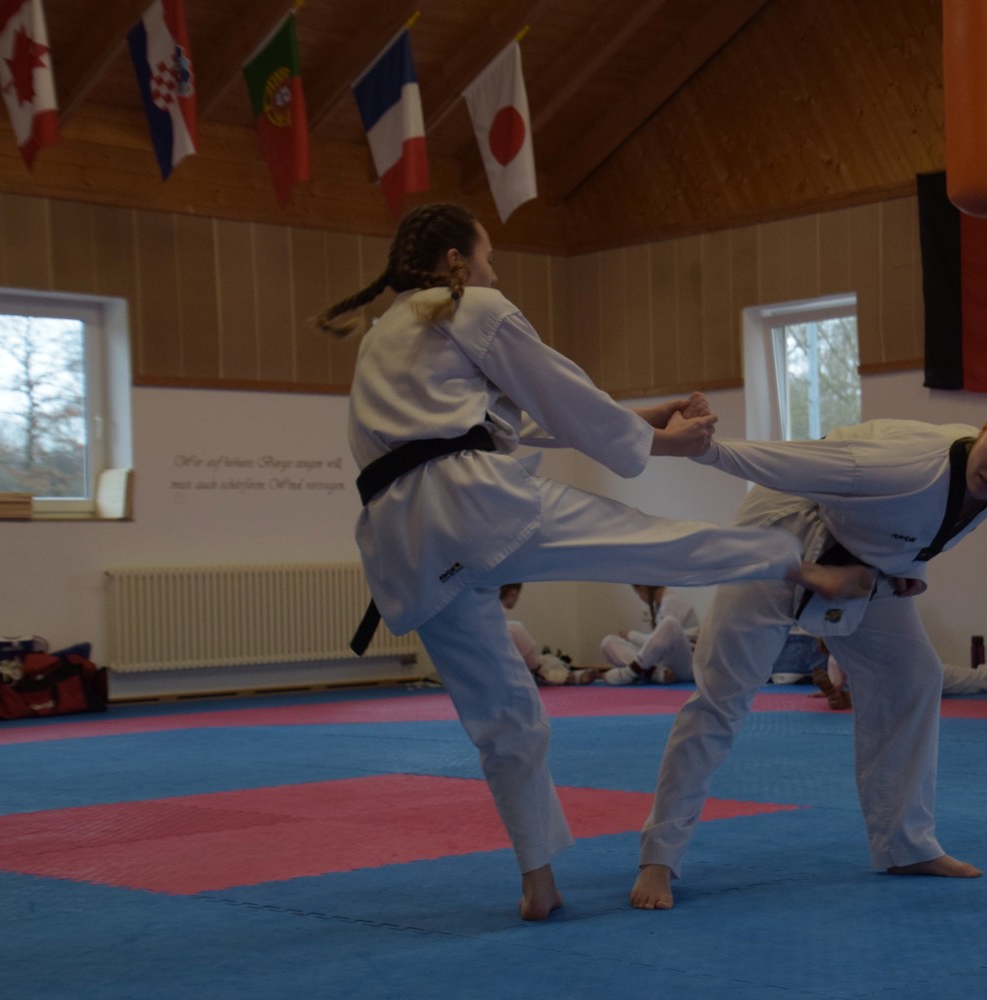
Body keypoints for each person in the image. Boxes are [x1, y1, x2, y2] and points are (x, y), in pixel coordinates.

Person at [318, 203, 875, 922]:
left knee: (501, 718)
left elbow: (520, 419)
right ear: (455, 261)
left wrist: (644, 419)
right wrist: (670, 442)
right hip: (474, 505)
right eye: (487, 259)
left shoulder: (382, 339)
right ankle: (794, 565)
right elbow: (561, 400)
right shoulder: (471, 307)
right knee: (650, 539)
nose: (493, 274)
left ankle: (538, 880)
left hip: (405, 545)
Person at [629, 402, 987, 910]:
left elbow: (917, 524)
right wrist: (700, 447)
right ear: (985, 428)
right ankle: (660, 856)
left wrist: (905, 568)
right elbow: (783, 462)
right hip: (777, 533)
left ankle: (905, 845)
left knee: (913, 676)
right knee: (723, 695)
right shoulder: (905, 464)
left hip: (856, 560)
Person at [811, 648, 987, 710]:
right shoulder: (842, 652)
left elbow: (838, 684)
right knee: (975, 679)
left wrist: (835, 692)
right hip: (915, 677)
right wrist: (832, 691)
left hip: (919, 676)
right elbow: (838, 684)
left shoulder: (838, 654)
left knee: (975, 680)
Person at [599, 585, 699, 684]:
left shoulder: (672, 600)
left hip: (684, 666)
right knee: (608, 642)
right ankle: (655, 674)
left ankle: (630, 672)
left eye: (638, 594)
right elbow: (655, 645)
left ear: (643, 588)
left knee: (670, 623)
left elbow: (663, 642)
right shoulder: (660, 603)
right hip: (664, 664)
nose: (640, 598)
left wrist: (631, 635)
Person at [499, 583, 596, 686]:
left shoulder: (495, 617)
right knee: (517, 631)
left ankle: (554, 672)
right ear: (513, 593)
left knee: (540, 660)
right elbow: (533, 665)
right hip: (506, 675)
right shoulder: (512, 628)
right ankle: (565, 676)